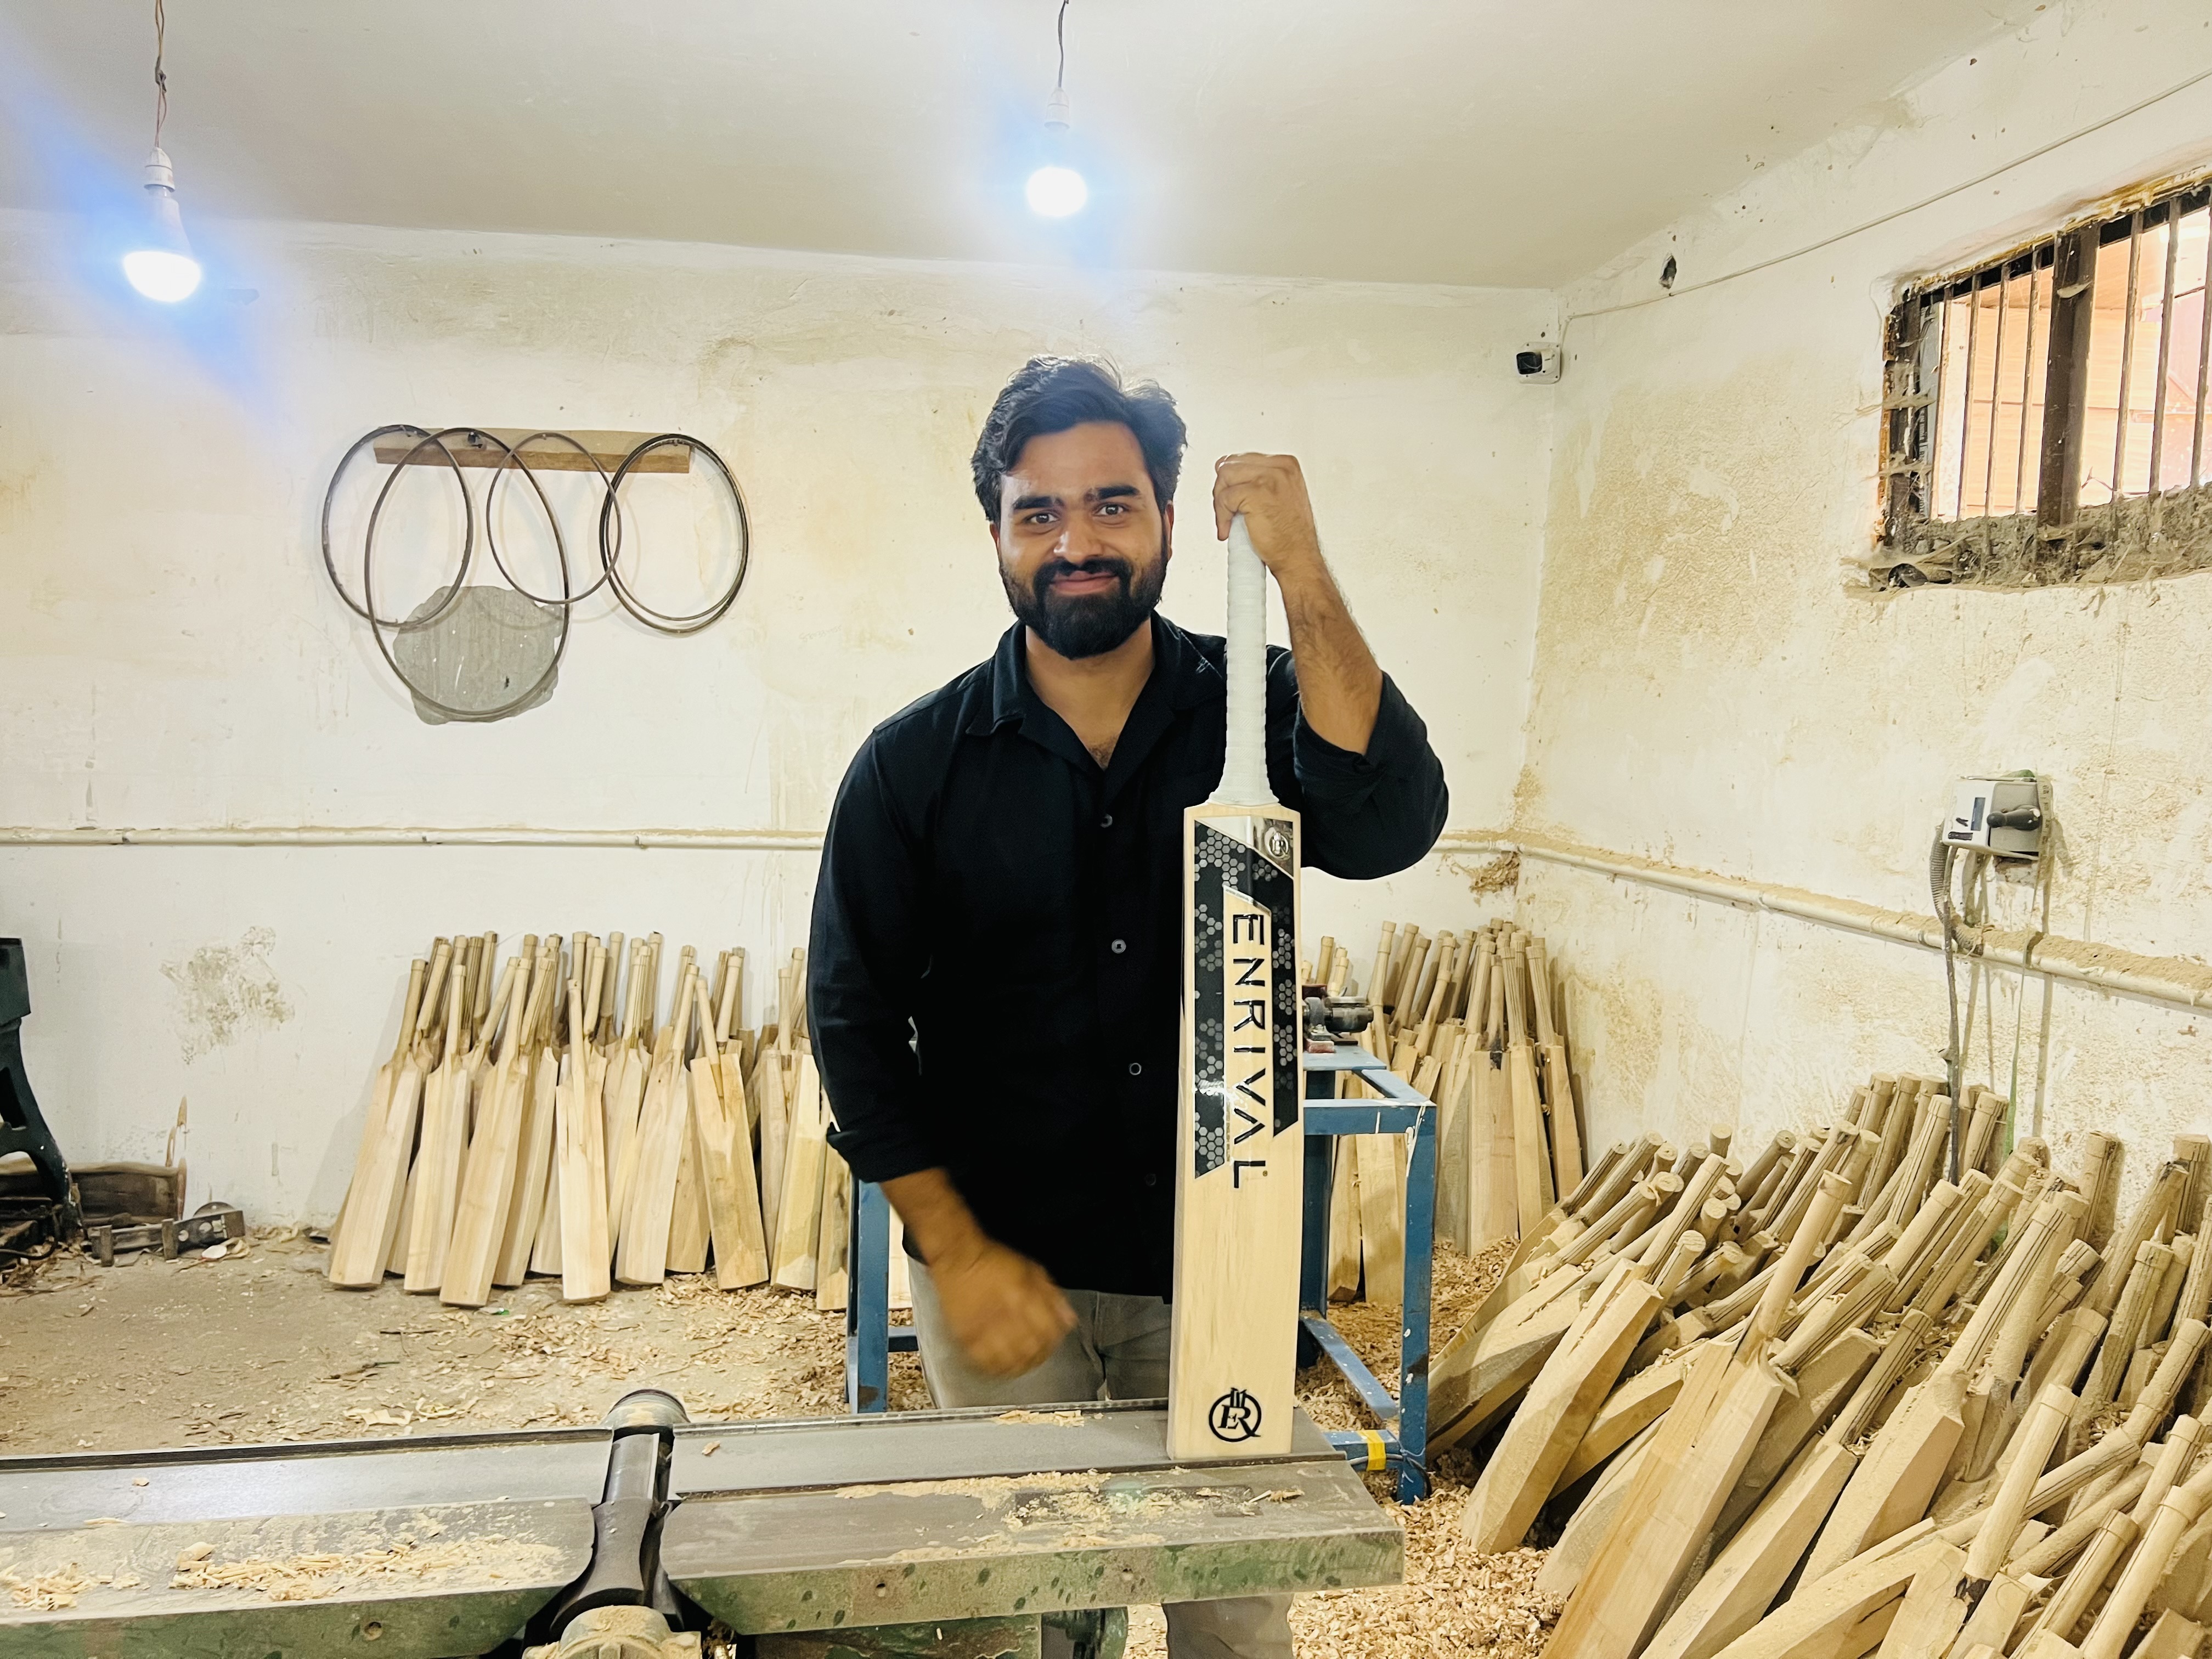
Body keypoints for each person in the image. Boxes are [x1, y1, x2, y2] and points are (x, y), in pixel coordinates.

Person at [808, 356, 1446, 1658]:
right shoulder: (914, 766)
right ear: (996, 535)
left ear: (1166, 515)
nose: (1076, 542)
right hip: (1007, 1275)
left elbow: (1389, 821)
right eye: (1037, 512)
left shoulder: (1252, 712)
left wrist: (1301, 568)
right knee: (1018, 1611)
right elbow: (855, 1027)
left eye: (1112, 504)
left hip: (1223, 1260)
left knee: (1232, 1607)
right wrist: (959, 1253)